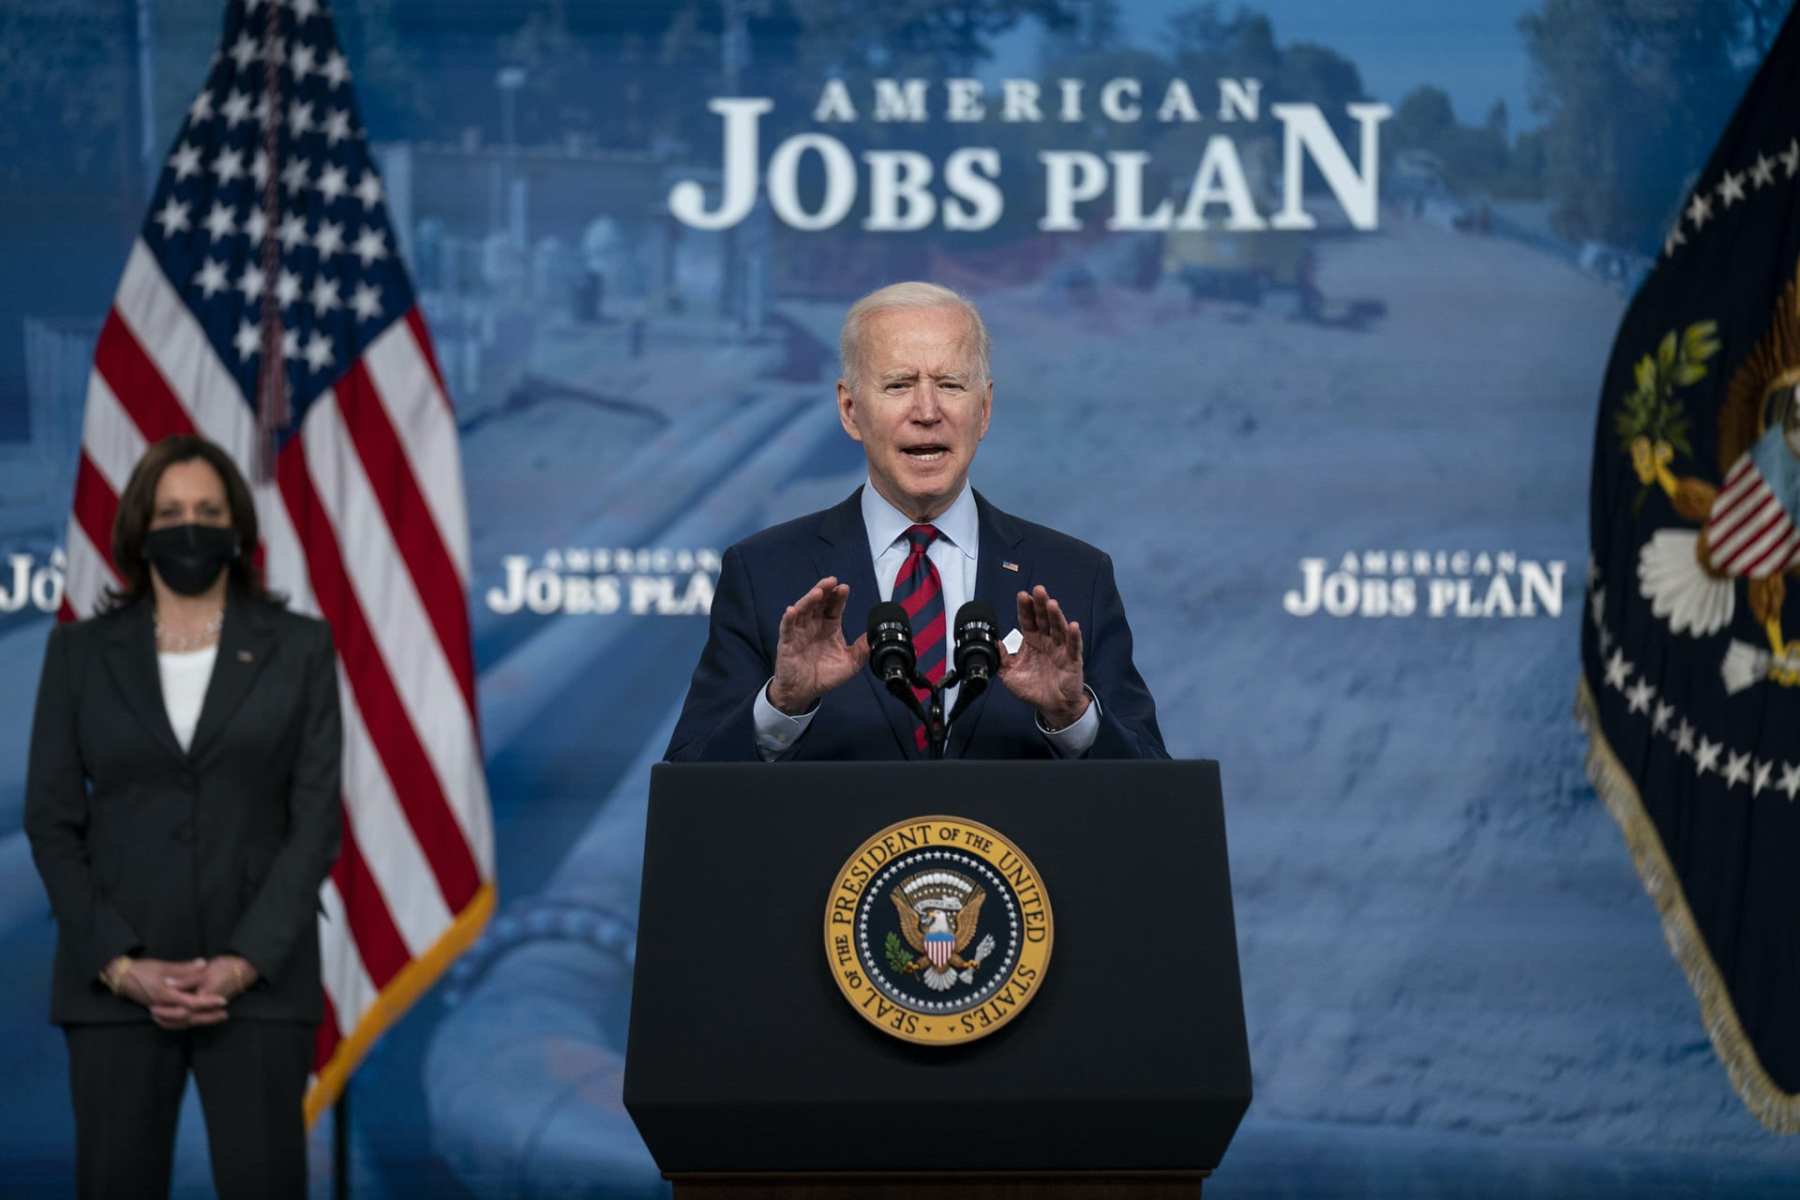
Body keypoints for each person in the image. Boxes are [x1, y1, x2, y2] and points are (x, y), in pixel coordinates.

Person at [25, 434, 342, 1199]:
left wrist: (243, 963)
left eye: (207, 509)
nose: (189, 525)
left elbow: (316, 820)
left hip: (262, 985)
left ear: (237, 526)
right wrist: (121, 964)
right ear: (139, 527)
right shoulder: (78, 654)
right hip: (114, 987)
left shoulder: (300, 649)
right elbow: (51, 819)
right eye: (170, 511)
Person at [667, 281, 1167, 762]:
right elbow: (689, 796)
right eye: (898, 384)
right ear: (849, 410)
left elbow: (1155, 802)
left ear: (985, 409)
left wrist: (1072, 717)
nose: (927, 411)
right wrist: (782, 706)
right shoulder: (765, 574)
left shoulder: (1075, 577)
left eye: (950, 384)